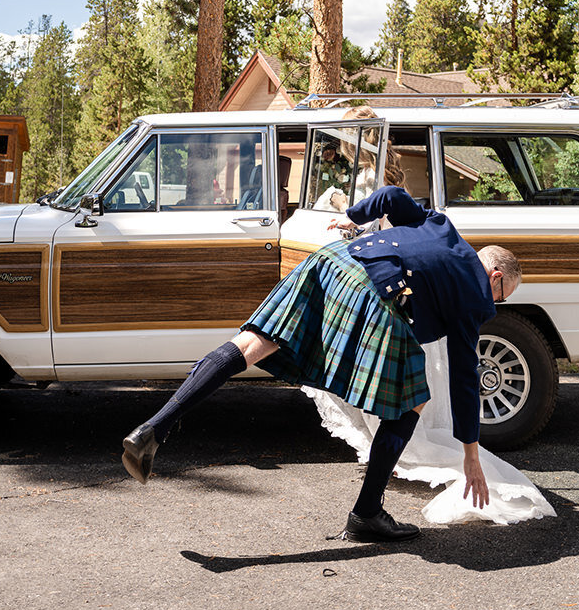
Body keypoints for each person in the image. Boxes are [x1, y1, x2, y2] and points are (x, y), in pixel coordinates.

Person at [120, 182, 521, 543]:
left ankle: (154, 427)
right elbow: (465, 377)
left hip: (333, 261)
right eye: (502, 295)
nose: (496, 304)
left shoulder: (441, 224)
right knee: (413, 399)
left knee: (251, 343)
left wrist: (352, 217)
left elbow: (393, 197)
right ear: (495, 273)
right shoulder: (476, 292)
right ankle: (366, 514)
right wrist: (470, 453)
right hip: (378, 291)